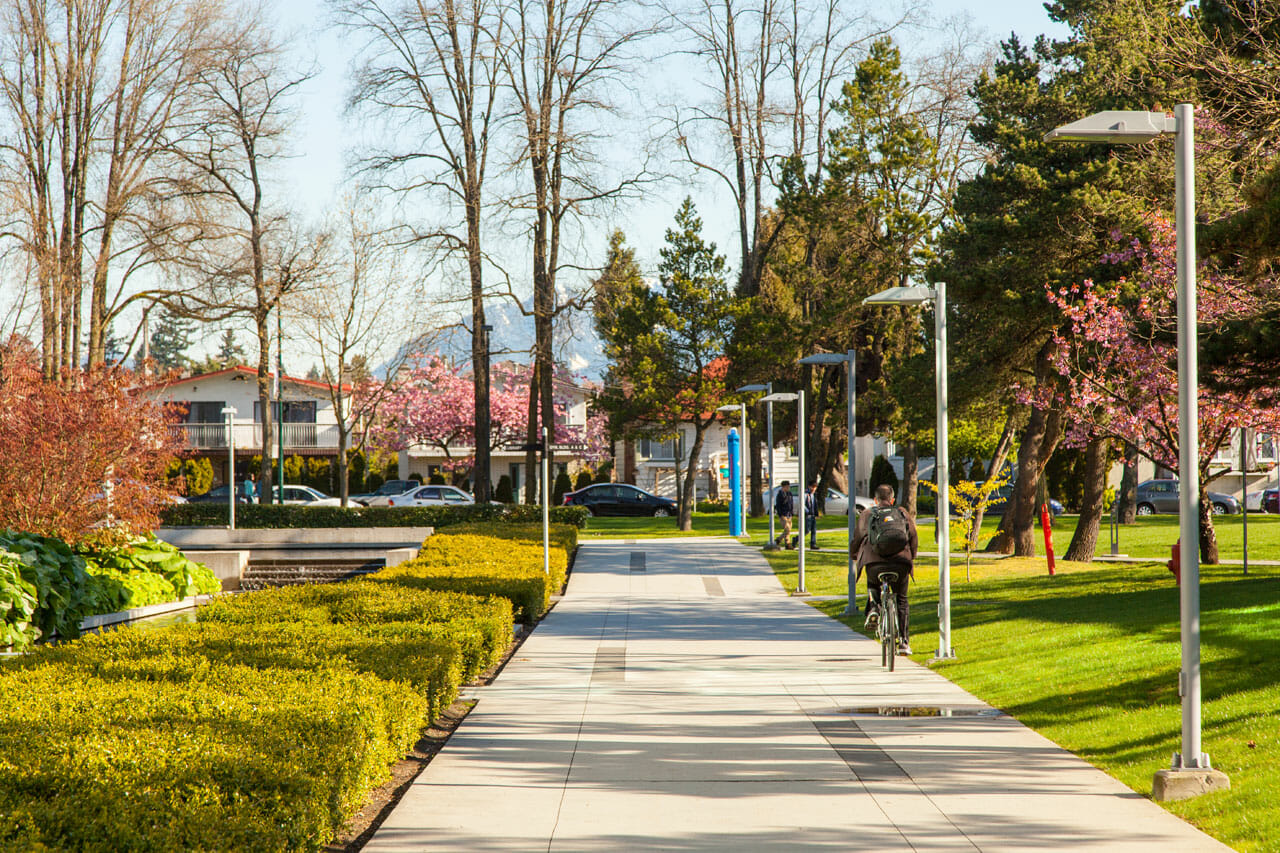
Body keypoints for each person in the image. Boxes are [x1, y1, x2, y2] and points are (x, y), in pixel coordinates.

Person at [849, 484, 918, 655]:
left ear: (875, 500)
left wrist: (854, 555)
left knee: (873, 581)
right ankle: (903, 641)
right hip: (900, 563)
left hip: (874, 563)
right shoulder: (902, 513)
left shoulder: (866, 514)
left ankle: (874, 607)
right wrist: (912, 555)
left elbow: (857, 539)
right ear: (892, 499)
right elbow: (913, 535)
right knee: (901, 599)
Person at [774, 480, 795, 548]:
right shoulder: (780, 495)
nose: (788, 488)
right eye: (786, 487)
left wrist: (792, 513)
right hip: (783, 515)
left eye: (788, 487)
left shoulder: (790, 494)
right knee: (787, 529)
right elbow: (778, 505)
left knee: (788, 530)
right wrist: (781, 515)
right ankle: (780, 540)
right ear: (783, 487)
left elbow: (791, 504)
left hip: (789, 514)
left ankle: (786, 543)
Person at [804, 480, 820, 549]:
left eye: (815, 487)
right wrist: (808, 511)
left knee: (814, 530)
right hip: (808, 515)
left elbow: (814, 505)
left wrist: (816, 514)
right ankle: (795, 540)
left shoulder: (814, 495)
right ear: (809, 487)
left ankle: (813, 544)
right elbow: (803, 504)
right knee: (806, 531)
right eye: (812, 487)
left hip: (813, 515)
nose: (814, 489)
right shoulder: (806, 494)